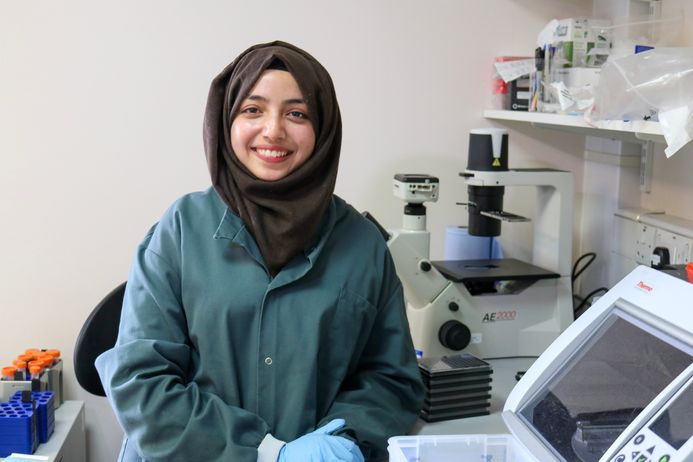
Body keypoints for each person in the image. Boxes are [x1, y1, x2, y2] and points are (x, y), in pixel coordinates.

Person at [96, 40, 424, 462]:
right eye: (253, 110)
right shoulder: (180, 230)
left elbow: (392, 380)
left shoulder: (362, 245)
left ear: (322, 130)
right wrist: (265, 451)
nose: (273, 130)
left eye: (297, 113)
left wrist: (347, 437)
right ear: (226, 121)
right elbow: (138, 379)